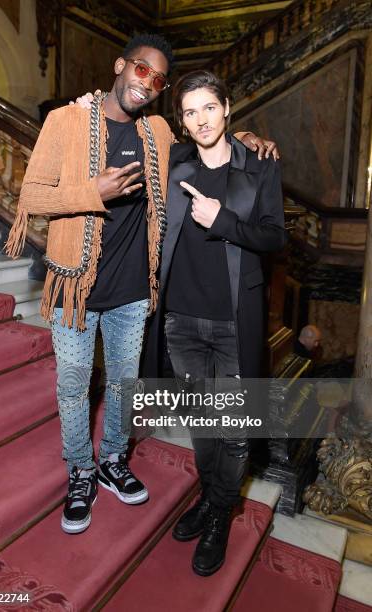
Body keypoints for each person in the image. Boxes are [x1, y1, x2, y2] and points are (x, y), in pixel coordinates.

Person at [6, 33, 278, 536]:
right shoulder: (64, 121)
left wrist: (246, 139)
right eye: (140, 70)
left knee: (126, 387)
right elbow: (31, 196)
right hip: (75, 288)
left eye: (157, 79)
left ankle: (111, 460)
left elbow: (207, 137)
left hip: (134, 291)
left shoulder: (156, 131)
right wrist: (93, 191)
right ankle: (80, 472)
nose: (146, 83)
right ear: (119, 66)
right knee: (73, 388)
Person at [144, 70, 285, 576]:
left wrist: (222, 219)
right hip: (181, 322)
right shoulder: (175, 161)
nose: (200, 119)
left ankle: (221, 512)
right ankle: (210, 498)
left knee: (235, 432)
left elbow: (274, 237)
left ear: (227, 107)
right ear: (181, 122)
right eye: (189, 111)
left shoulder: (259, 166)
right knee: (204, 423)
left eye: (209, 107)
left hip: (232, 324)